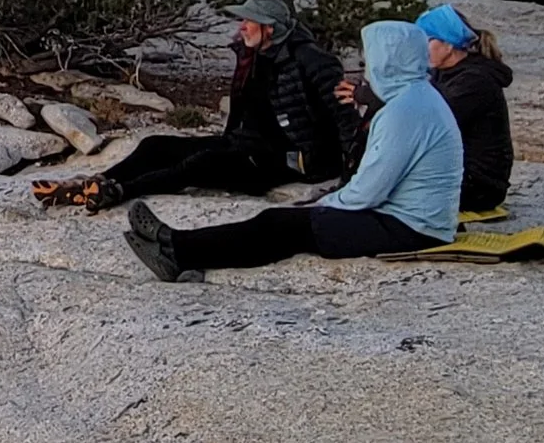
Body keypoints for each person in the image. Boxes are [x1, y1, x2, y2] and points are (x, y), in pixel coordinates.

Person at [124, 21, 463, 281]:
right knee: (280, 223)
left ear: (389, 58)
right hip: (411, 220)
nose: (366, 62)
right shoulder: (415, 97)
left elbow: (369, 190)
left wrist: (325, 204)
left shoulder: (405, 111)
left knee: (281, 226)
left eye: (371, 54)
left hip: (409, 228)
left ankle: (176, 250)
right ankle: (179, 247)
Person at [32, 0, 347, 212]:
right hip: (245, 144)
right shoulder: (255, 57)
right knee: (156, 145)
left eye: (248, 21)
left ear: (269, 28)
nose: (241, 26)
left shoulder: (312, 62)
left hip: (288, 160)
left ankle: (117, 192)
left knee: (201, 164)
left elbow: (344, 118)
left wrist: (349, 176)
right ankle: (96, 182)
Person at [339, 5, 514, 215]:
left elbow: (424, 119)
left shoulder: (475, 82)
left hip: (479, 186)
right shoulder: (442, 74)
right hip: (456, 175)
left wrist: (373, 97)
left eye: (427, 41)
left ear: (449, 44)